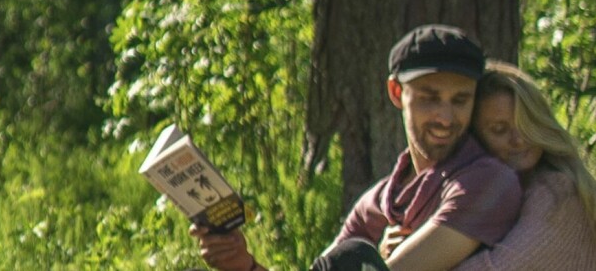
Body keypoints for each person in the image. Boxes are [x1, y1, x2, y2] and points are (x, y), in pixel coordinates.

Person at [191, 24, 522, 271]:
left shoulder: (487, 182)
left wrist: (374, 261)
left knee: (351, 257)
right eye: (429, 98)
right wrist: (242, 264)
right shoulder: (377, 203)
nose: (445, 117)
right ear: (396, 92)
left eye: (460, 100)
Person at [449, 61, 596, 271]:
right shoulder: (506, 194)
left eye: (527, 124)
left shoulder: (558, 194)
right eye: (499, 129)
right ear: (475, 139)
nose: (519, 140)